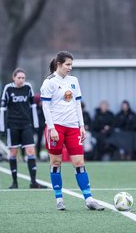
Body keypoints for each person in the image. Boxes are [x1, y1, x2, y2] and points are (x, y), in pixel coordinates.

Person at [40, 50, 104, 211]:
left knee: (79, 163)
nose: (70, 68)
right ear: (58, 64)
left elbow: (77, 105)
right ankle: (59, 199)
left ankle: (89, 199)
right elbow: (45, 107)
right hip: (56, 128)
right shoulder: (49, 82)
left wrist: (81, 126)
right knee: (56, 162)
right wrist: (52, 128)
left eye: (71, 65)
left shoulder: (74, 81)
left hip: (73, 128)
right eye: (67, 65)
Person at [0, 67, 46, 189]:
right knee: (13, 153)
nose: (21, 80)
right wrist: (2, 127)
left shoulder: (28, 87)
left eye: (23, 78)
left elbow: (33, 107)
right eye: (19, 78)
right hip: (12, 125)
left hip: (26, 125)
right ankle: (14, 182)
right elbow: (3, 109)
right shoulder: (8, 89)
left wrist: (35, 124)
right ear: (13, 78)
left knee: (30, 151)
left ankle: (33, 182)